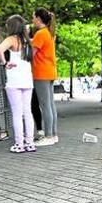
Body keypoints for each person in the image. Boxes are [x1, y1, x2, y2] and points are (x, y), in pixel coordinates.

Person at [0, 15, 37, 153]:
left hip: (14, 79)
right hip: (27, 79)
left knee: (17, 113)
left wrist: (4, 63)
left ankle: (19, 143)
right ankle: (30, 142)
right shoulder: (27, 41)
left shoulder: (11, 39)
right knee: (27, 111)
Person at [31, 8, 59, 146]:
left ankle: (48, 135)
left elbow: (31, 55)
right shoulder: (49, 33)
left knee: (45, 105)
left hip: (41, 73)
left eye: (33, 17)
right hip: (50, 71)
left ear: (38, 19)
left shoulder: (40, 34)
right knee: (50, 104)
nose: (32, 20)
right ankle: (53, 133)